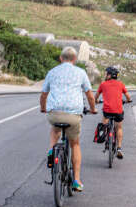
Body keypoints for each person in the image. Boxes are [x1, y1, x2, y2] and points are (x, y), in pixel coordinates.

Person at [40, 46, 97, 192]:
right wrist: (93, 109)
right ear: (75, 59)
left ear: (61, 58)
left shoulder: (52, 72)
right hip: (73, 115)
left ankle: (52, 151)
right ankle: (76, 180)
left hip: (55, 113)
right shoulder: (80, 72)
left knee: (55, 130)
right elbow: (90, 95)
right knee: (75, 144)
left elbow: (44, 95)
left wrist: (43, 108)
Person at [95, 67, 131, 159]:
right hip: (118, 111)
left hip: (107, 111)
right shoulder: (121, 84)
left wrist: (97, 101)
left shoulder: (103, 84)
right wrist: (128, 101)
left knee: (104, 123)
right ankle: (119, 148)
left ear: (110, 75)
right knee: (118, 127)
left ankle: (105, 135)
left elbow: (96, 96)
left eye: (106, 73)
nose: (105, 75)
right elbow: (128, 96)